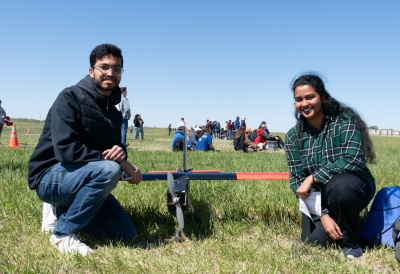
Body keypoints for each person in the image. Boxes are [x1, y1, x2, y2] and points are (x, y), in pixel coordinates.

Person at [27, 44, 142, 256]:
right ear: (91, 71)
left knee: (125, 233)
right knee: (109, 170)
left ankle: (61, 211)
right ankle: (62, 233)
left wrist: (121, 155)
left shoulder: (114, 113)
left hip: (84, 175)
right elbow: (66, 150)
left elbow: (112, 152)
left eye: (117, 69)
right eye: (104, 67)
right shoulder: (69, 97)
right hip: (50, 176)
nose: (111, 73)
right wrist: (119, 164)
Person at [285, 73, 376, 259]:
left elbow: (354, 160)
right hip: (318, 198)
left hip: (352, 187)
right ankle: (339, 220)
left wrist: (313, 177)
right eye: (299, 99)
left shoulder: (344, 121)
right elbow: (296, 180)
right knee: (313, 240)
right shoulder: (294, 135)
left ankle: (352, 242)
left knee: (340, 186)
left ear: (323, 97)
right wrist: (323, 216)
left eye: (310, 97)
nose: (304, 103)